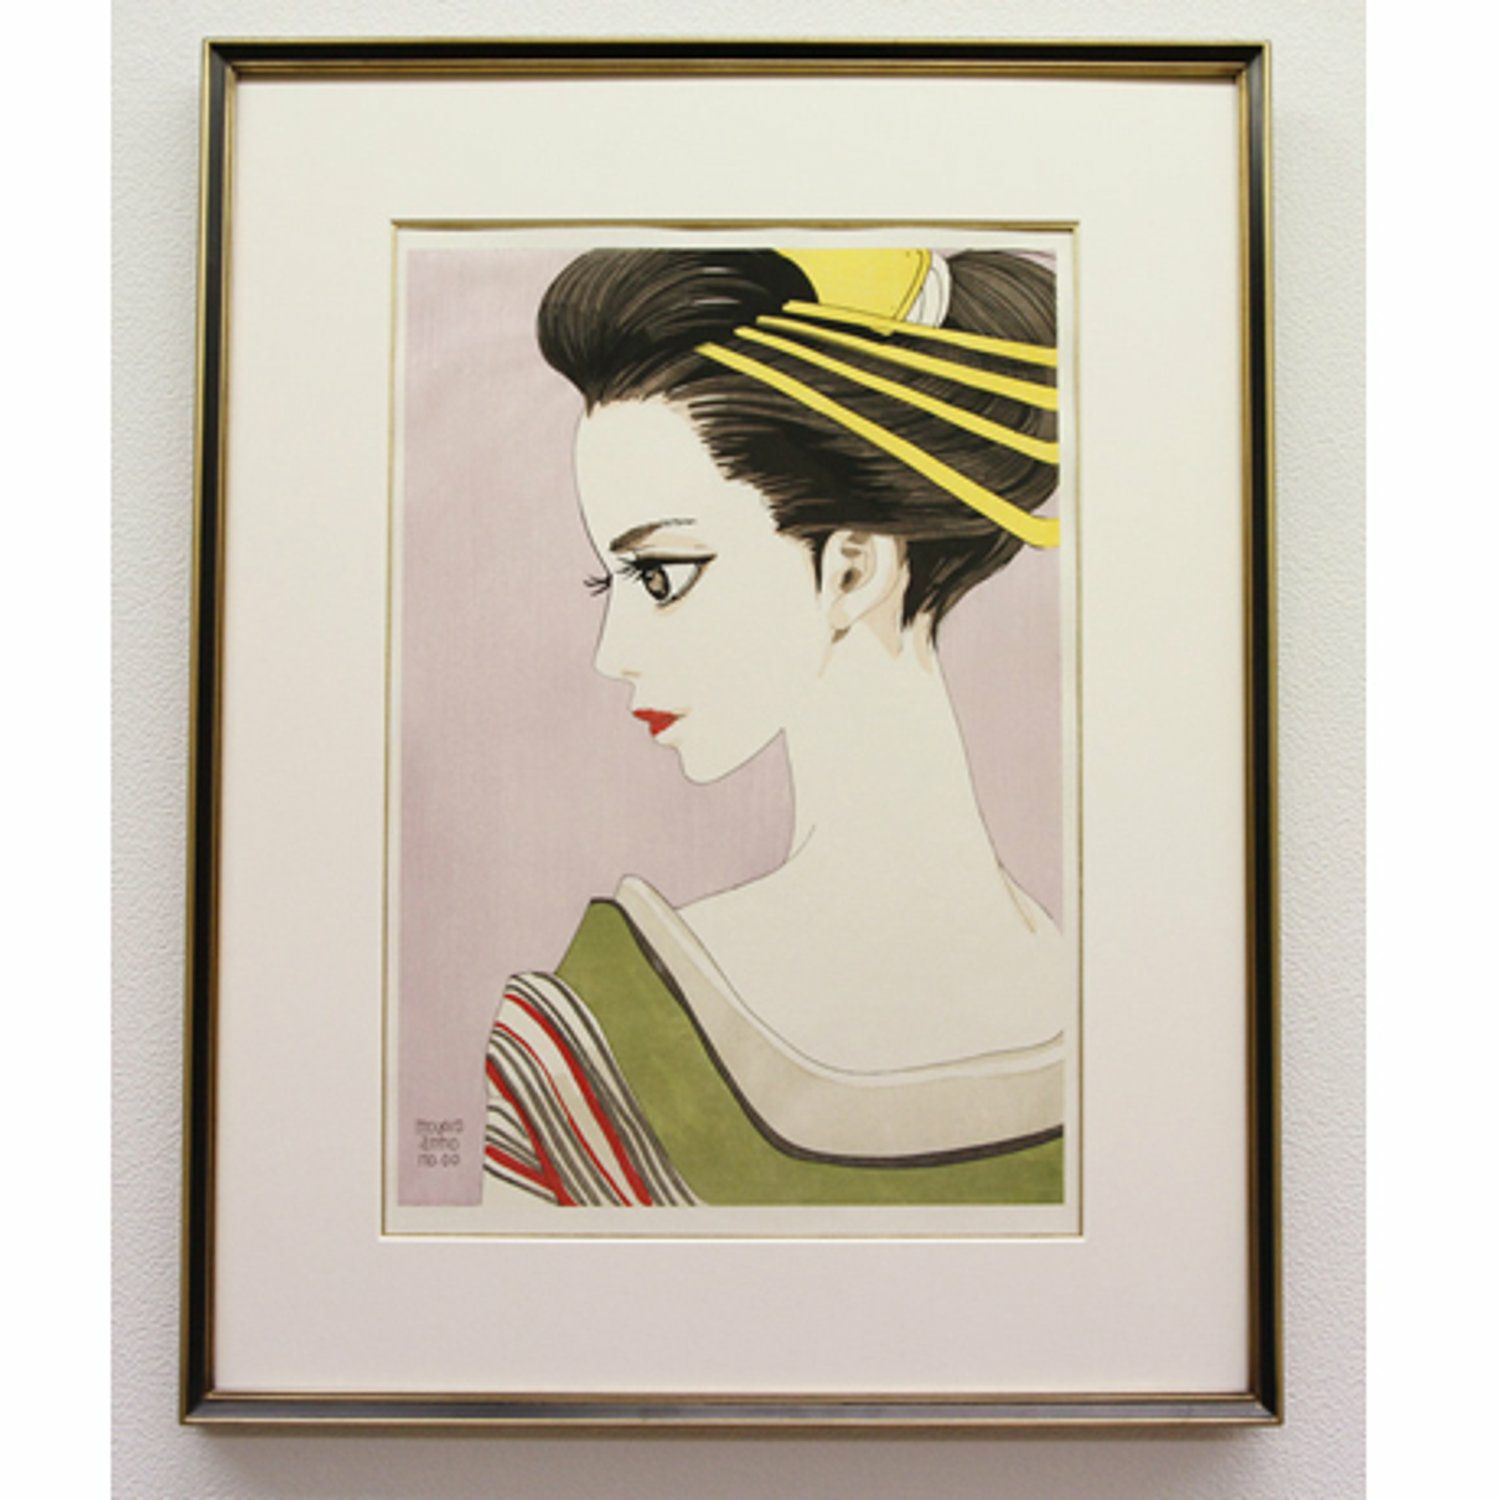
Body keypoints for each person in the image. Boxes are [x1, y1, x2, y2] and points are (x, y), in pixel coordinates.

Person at [482, 246, 1069, 1208]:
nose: (611, 653)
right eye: (609, 581)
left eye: (659, 575)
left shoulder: (1147, 1017)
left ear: (852, 570)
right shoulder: (590, 1040)